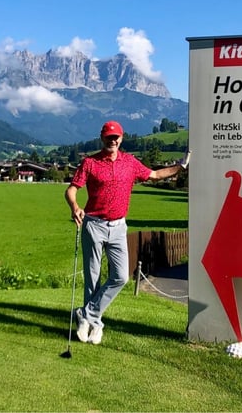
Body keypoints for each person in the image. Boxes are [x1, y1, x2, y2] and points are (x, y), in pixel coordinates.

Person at [64, 120, 189, 345]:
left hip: (119, 227)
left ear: (121, 139)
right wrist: (75, 207)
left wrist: (181, 167)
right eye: (109, 137)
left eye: (116, 137)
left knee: (121, 276)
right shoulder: (90, 163)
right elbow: (71, 190)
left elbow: (154, 175)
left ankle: (87, 314)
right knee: (92, 277)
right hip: (93, 224)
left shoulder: (130, 162)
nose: (113, 140)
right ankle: (95, 324)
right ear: (102, 138)